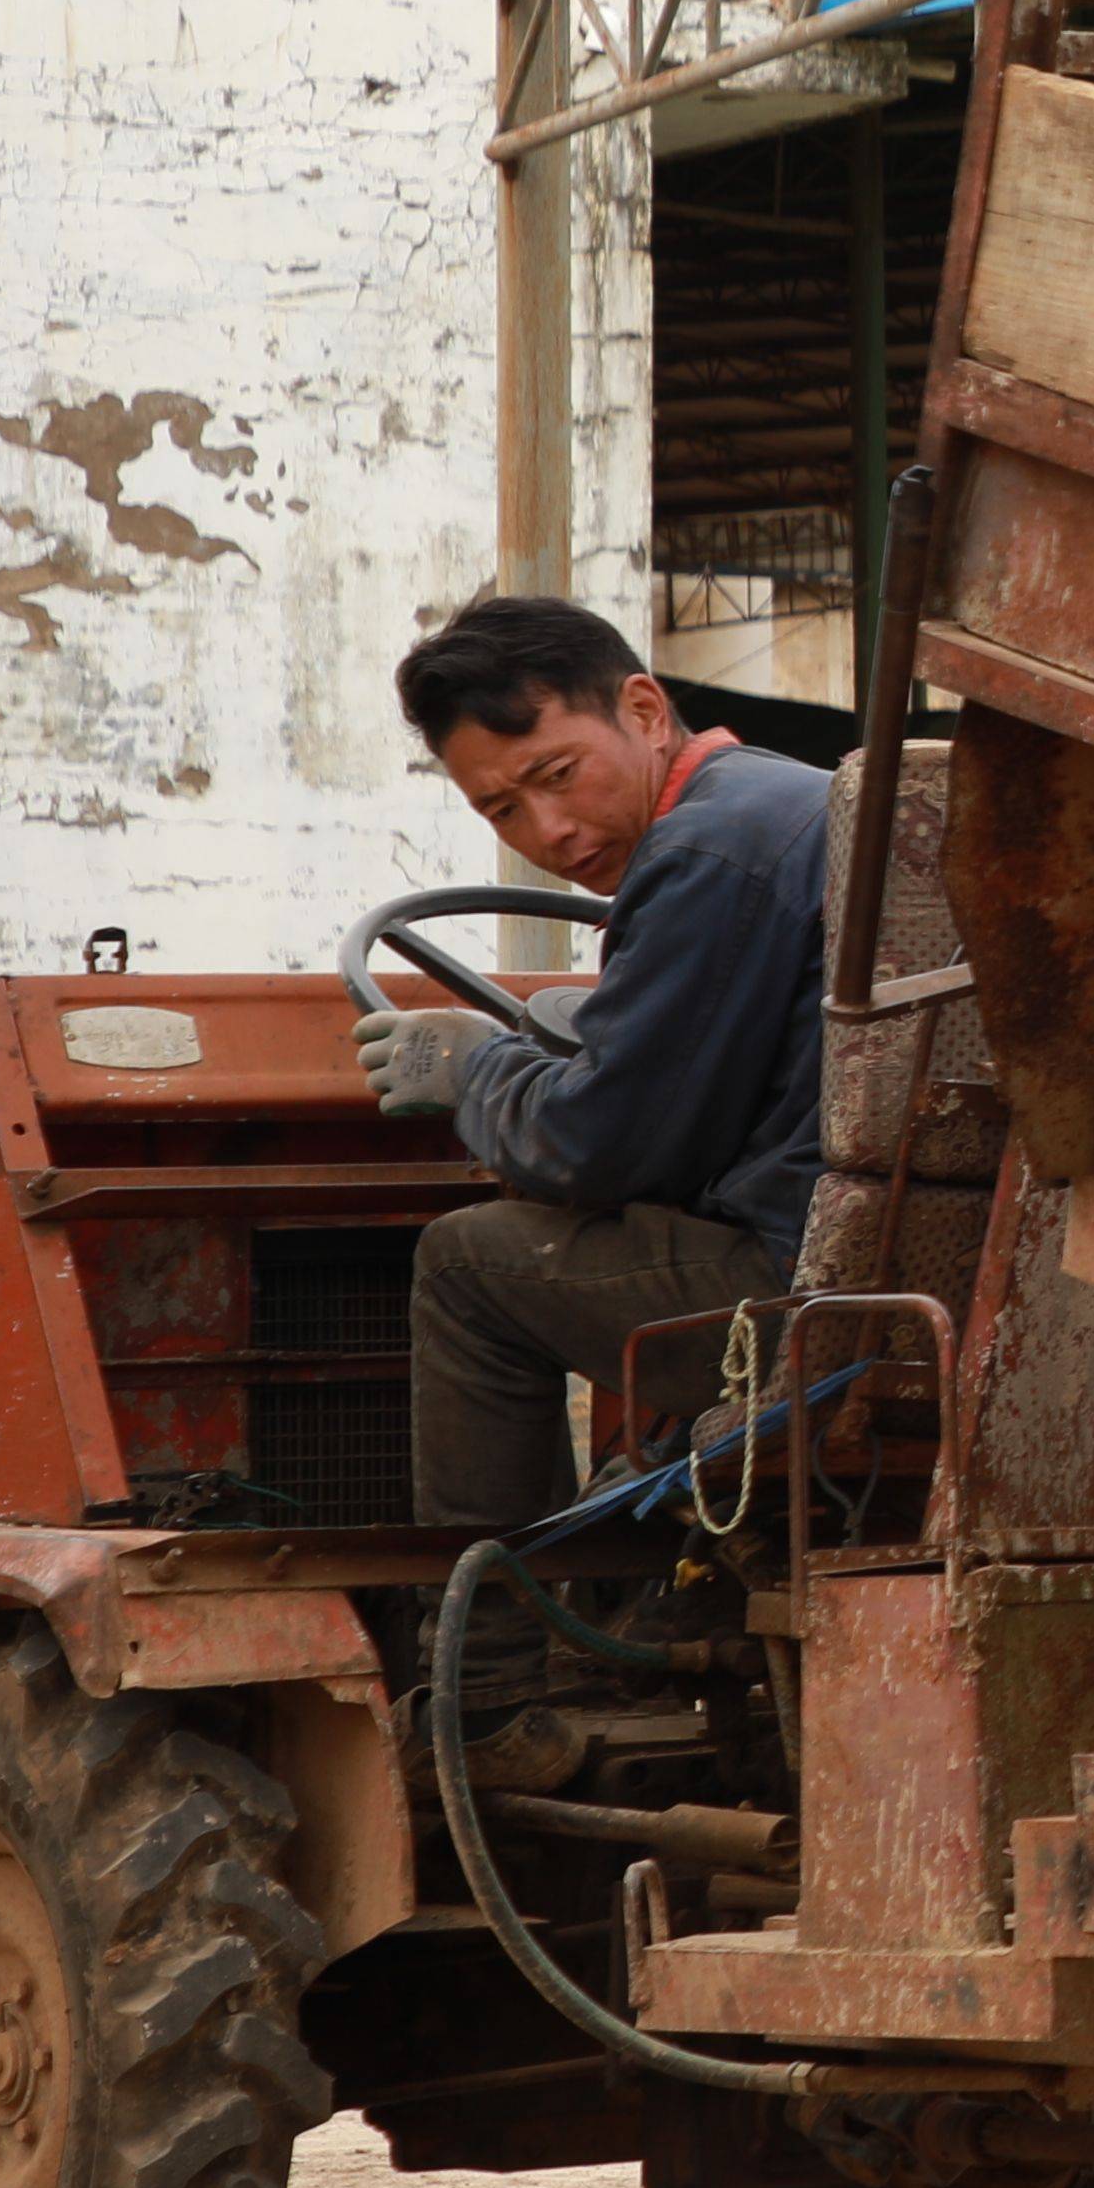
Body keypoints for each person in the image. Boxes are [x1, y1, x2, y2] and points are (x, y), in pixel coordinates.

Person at [361, 597, 837, 1536]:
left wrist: (478, 1071)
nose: (551, 833)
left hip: (795, 1290)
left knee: (466, 1263)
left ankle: (495, 1665)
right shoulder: (796, 800)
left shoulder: (707, 848)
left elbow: (601, 1148)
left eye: (558, 775)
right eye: (504, 809)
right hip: (897, 1268)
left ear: (646, 712)